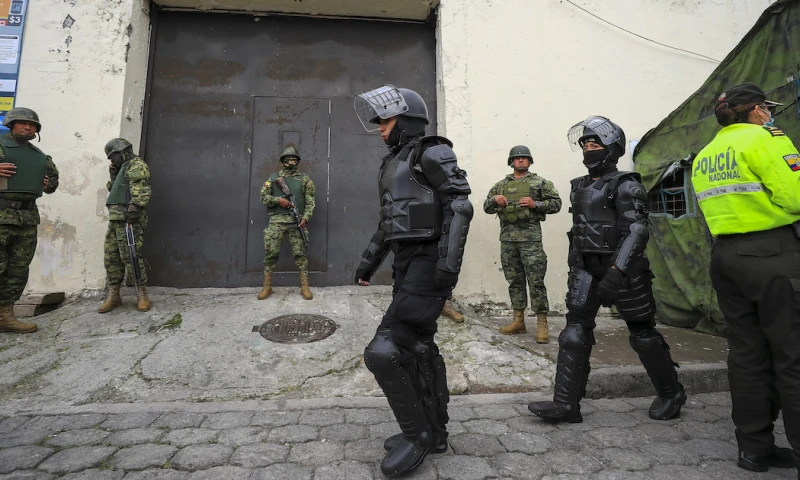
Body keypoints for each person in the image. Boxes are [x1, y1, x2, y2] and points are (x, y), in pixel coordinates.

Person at [529, 116, 685, 423]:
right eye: (585, 144)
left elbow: (637, 231)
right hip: (587, 269)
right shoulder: (579, 186)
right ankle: (566, 405)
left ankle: (671, 393)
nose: (589, 149)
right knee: (573, 332)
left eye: (595, 144)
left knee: (642, 333)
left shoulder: (626, 185)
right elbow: (579, 231)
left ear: (611, 149)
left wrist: (617, 272)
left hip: (623, 270)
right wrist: (576, 265)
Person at [353, 85, 472, 477]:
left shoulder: (431, 151)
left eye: (385, 121)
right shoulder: (394, 163)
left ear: (405, 119)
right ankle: (435, 433)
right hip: (407, 263)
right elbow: (391, 222)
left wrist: (448, 265)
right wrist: (369, 263)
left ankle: (417, 435)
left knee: (384, 351)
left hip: (428, 262)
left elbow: (459, 204)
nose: (381, 129)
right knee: (418, 346)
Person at [690, 82, 798, 474]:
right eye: (768, 109)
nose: (771, 114)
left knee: (748, 357)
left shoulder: (705, 155)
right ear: (756, 110)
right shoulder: (766, 139)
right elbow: (797, 197)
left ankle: (754, 450)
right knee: (793, 356)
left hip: (727, 258)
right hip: (773, 254)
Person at [483, 145, 561, 342]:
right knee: (514, 281)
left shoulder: (539, 182)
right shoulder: (500, 185)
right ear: (512, 161)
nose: (521, 161)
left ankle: (542, 324)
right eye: (517, 158)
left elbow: (557, 204)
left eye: (524, 158)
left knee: (536, 282)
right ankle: (518, 321)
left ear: (530, 161)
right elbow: (486, 207)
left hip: (531, 240)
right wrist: (494, 200)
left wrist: (537, 205)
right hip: (508, 240)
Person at [0, 107, 58, 333]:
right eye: (23, 123)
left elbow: (53, 183)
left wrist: (46, 183)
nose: (28, 127)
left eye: (32, 125)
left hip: (27, 218)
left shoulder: (39, 156)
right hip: (2, 215)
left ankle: (5, 315)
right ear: (11, 124)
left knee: (17, 269)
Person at [98, 138, 151, 313]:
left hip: (128, 219)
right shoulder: (123, 168)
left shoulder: (136, 164)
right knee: (112, 257)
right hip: (116, 218)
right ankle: (114, 295)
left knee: (131, 256)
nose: (112, 161)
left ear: (121, 152)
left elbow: (140, 187)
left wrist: (135, 208)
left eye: (113, 157)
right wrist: (113, 176)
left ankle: (141, 293)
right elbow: (117, 189)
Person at [258, 146, 315, 300]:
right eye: (288, 159)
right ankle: (267, 287)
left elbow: (310, 202)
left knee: (300, 255)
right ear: (283, 160)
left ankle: (304, 287)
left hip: (297, 223)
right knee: (271, 254)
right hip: (277, 222)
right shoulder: (272, 179)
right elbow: (263, 198)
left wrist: (305, 218)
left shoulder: (304, 179)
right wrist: (279, 200)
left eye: (294, 159)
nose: (291, 161)